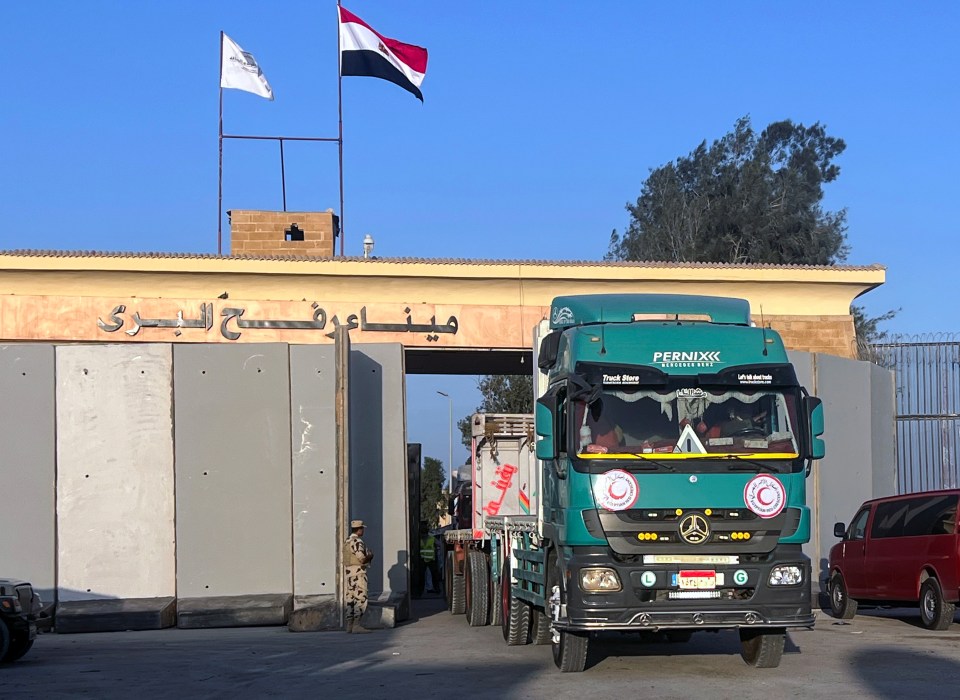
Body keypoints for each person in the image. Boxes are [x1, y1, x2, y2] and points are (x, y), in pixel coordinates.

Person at [343, 519, 375, 633]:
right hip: (358, 573)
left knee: (350, 599)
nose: (363, 531)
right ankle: (357, 625)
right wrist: (370, 556)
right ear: (359, 529)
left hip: (349, 574)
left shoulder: (347, 541)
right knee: (361, 598)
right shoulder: (357, 541)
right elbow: (361, 558)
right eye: (362, 529)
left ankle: (349, 625)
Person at [418, 521, 442, 596]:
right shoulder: (420, 540)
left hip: (431, 560)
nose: (423, 536)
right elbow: (439, 545)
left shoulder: (431, 539)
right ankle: (420, 591)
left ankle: (436, 589)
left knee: (434, 575)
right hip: (424, 560)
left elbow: (440, 545)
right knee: (422, 576)